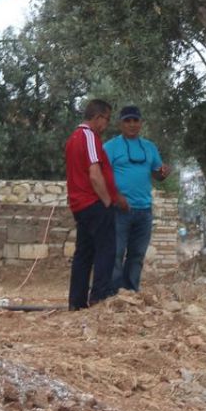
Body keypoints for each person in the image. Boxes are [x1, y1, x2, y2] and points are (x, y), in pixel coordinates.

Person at [65, 99, 126, 310]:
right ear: (98, 117)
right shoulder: (89, 136)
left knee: (84, 252)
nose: (106, 125)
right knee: (106, 250)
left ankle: (76, 301)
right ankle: (99, 297)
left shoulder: (73, 138)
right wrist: (108, 201)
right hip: (93, 202)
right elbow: (94, 173)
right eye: (106, 119)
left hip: (79, 205)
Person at [103, 105, 171, 292]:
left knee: (137, 254)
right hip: (119, 209)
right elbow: (101, 176)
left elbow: (157, 174)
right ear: (120, 124)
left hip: (144, 210)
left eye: (135, 120)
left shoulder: (149, 147)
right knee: (116, 253)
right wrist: (116, 197)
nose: (132, 124)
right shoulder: (110, 147)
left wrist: (164, 172)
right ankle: (114, 294)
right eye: (127, 121)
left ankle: (131, 292)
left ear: (141, 123)